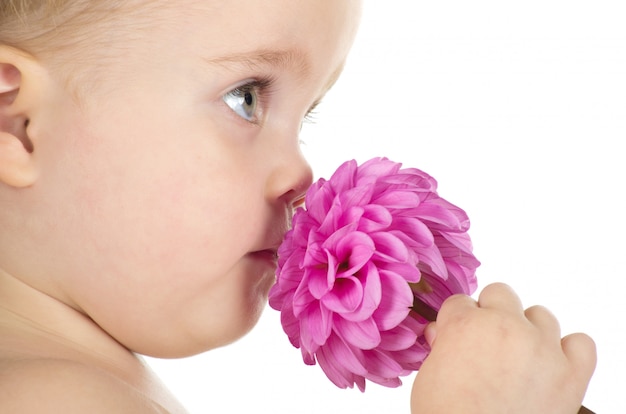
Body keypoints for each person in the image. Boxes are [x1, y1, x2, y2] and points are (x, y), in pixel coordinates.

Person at [0, 1, 596, 413]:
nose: (300, 175)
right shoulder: (53, 400)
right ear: (19, 125)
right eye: (246, 97)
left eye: (305, 118)